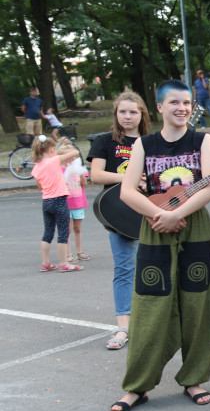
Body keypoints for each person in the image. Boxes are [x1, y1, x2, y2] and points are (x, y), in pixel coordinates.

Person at [109, 80, 210, 411]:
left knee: (198, 304)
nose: (183, 108)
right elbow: (128, 191)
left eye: (187, 103)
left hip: (194, 226)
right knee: (149, 306)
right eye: (175, 103)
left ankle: (193, 378)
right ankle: (137, 387)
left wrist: (177, 214)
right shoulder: (145, 143)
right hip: (155, 226)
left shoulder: (202, 139)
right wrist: (160, 214)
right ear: (159, 107)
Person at [88, 90, 151, 350]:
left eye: (133, 111)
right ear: (116, 114)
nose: (128, 116)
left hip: (149, 210)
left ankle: (149, 323)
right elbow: (96, 175)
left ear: (142, 115)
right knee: (124, 268)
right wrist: (129, 179)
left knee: (155, 268)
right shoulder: (105, 141)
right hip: (119, 213)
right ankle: (123, 327)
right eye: (123, 111)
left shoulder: (152, 142)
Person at [30, 135, 82, 273]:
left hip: (46, 202)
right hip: (59, 200)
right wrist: (64, 144)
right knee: (63, 233)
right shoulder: (54, 160)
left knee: (48, 233)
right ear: (52, 149)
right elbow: (76, 152)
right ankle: (64, 263)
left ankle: (45, 263)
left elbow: (41, 187)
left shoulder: (36, 168)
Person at [61, 141, 90, 263]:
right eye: (67, 157)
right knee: (67, 229)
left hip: (78, 203)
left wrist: (80, 173)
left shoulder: (79, 169)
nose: (70, 159)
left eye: (73, 157)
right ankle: (68, 253)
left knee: (77, 228)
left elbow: (84, 183)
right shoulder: (60, 170)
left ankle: (80, 251)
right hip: (65, 204)